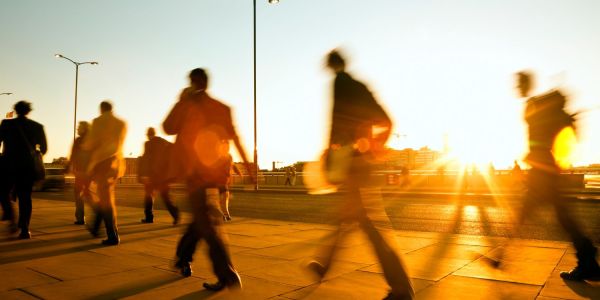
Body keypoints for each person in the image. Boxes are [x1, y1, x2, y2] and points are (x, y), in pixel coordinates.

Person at [307, 50, 414, 300]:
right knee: (348, 217)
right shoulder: (360, 86)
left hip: (352, 161)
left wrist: (331, 151)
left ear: (333, 65)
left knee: (367, 222)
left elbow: (336, 122)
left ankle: (401, 288)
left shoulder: (341, 83)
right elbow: (387, 119)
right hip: (360, 159)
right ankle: (324, 266)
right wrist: (376, 146)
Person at [502, 71, 600, 280]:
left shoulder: (535, 105)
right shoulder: (543, 106)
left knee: (527, 214)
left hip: (542, 172)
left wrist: (534, 154)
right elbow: (559, 133)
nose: (516, 88)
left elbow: (540, 137)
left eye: (519, 84)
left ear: (525, 85)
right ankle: (588, 259)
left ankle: (502, 258)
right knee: (562, 217)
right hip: (548, 170)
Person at [164, 68, 255, 291]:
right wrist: (249, 166)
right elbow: (236, 138)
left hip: (194, 174)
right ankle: (182, 257)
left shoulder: (187, 106)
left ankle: (226, 273)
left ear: (192, 83)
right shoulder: (223, 108)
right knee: (202, 220)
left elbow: (168, 127)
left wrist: (180, 100)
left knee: (206, 222)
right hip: (214, 174)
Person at [0, 101, 47, 239]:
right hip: (27, 167)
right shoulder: (37, 127)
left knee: (2, 192)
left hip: (8, 165)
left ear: (15, 110)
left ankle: (10, 216)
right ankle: (25, 229)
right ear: (28, 111)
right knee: (25, 198)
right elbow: (44, 148)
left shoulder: (6, 124)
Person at [84, 101, 127, 246]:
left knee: (106, 201)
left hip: (102, 163)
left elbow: (91, 142)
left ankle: (113, 236)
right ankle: (100, 229)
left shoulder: (98, 121)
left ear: (101, 109)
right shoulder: (122, 123)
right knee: (106, 199)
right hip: (116, 164)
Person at [138, 127, 179, 224]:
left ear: (148, 135)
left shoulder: (148, 144)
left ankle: (149, 217)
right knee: (165, 197)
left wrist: (144, 174)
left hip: (152, 176)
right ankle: (175, 213)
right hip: (163, 176)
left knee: (148, 196)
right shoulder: (163, 142)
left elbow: (147, 159)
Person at [69, 121, 91, 225]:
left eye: (79, 127)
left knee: (78, 195)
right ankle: (97, 215)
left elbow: (73, 155)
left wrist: (69, 166)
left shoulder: (78, 140)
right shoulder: (92, 140)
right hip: (90, 172)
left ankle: (80, 218)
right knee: (90, 195)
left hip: (81, 172)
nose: (77, 129)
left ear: (84, 128)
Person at [218, 153, 241, 222]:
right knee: (223, 199)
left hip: (224, 182)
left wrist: (238, 172)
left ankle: (224, 215)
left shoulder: (229, 158)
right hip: (218, 182)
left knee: (224, 199)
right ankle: (225, 215)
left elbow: (233, 165)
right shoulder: (219, 158)